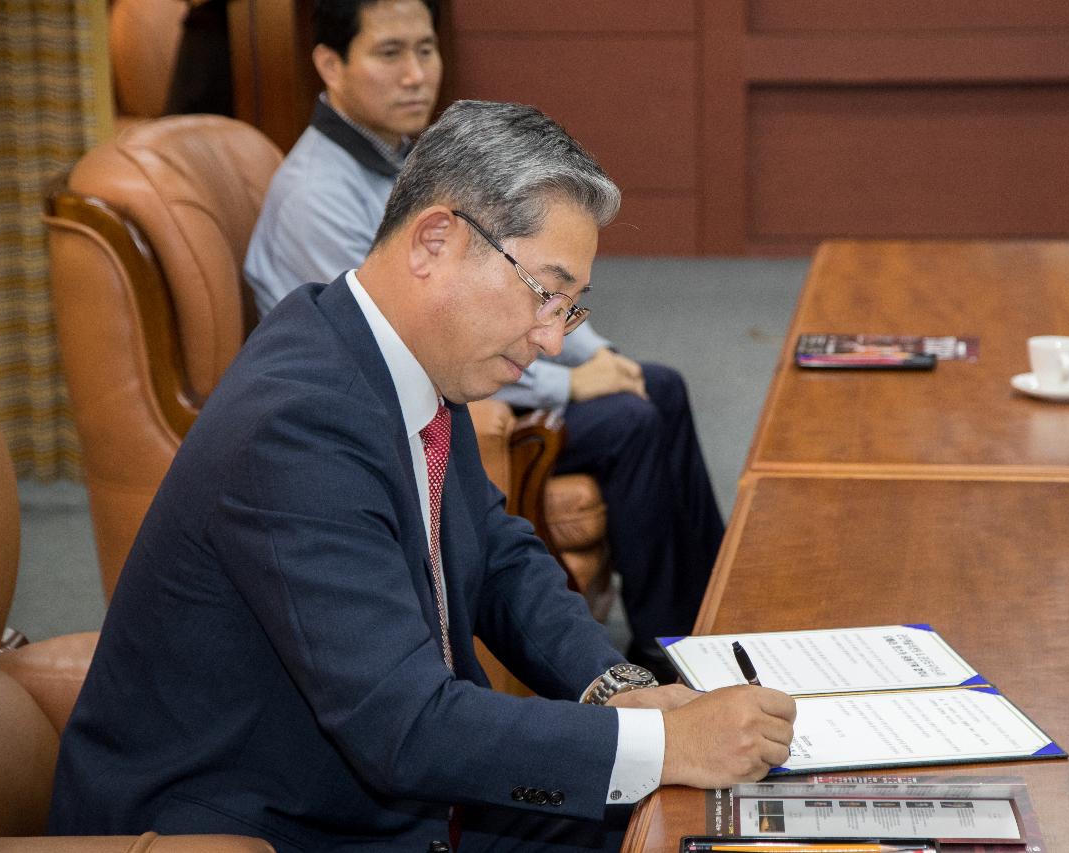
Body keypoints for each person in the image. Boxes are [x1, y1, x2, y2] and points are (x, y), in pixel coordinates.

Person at [48, 100, 796, 852]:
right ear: (436, 239)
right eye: (545, 292)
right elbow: (402, 724)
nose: (547, 338)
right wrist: (665, 745)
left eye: (567, 309)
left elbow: (498, 555)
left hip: (398, 781)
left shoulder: (396, 352)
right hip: (264, 821)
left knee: (724, 827)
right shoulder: (296, 425)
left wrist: (621, 689)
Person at [243, 0, 725, 674]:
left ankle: (708, 623)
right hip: (426, 400)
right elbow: (419, 325)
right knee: (630, 422)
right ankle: (664, 643)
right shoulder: (315, 196)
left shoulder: (411, 161)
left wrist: (599, 354)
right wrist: (569, 379)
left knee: (657, 383)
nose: (416, 74)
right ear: (330, 64)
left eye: (427, 49)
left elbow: (523, 287)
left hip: (460, 376)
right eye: (390, 53)